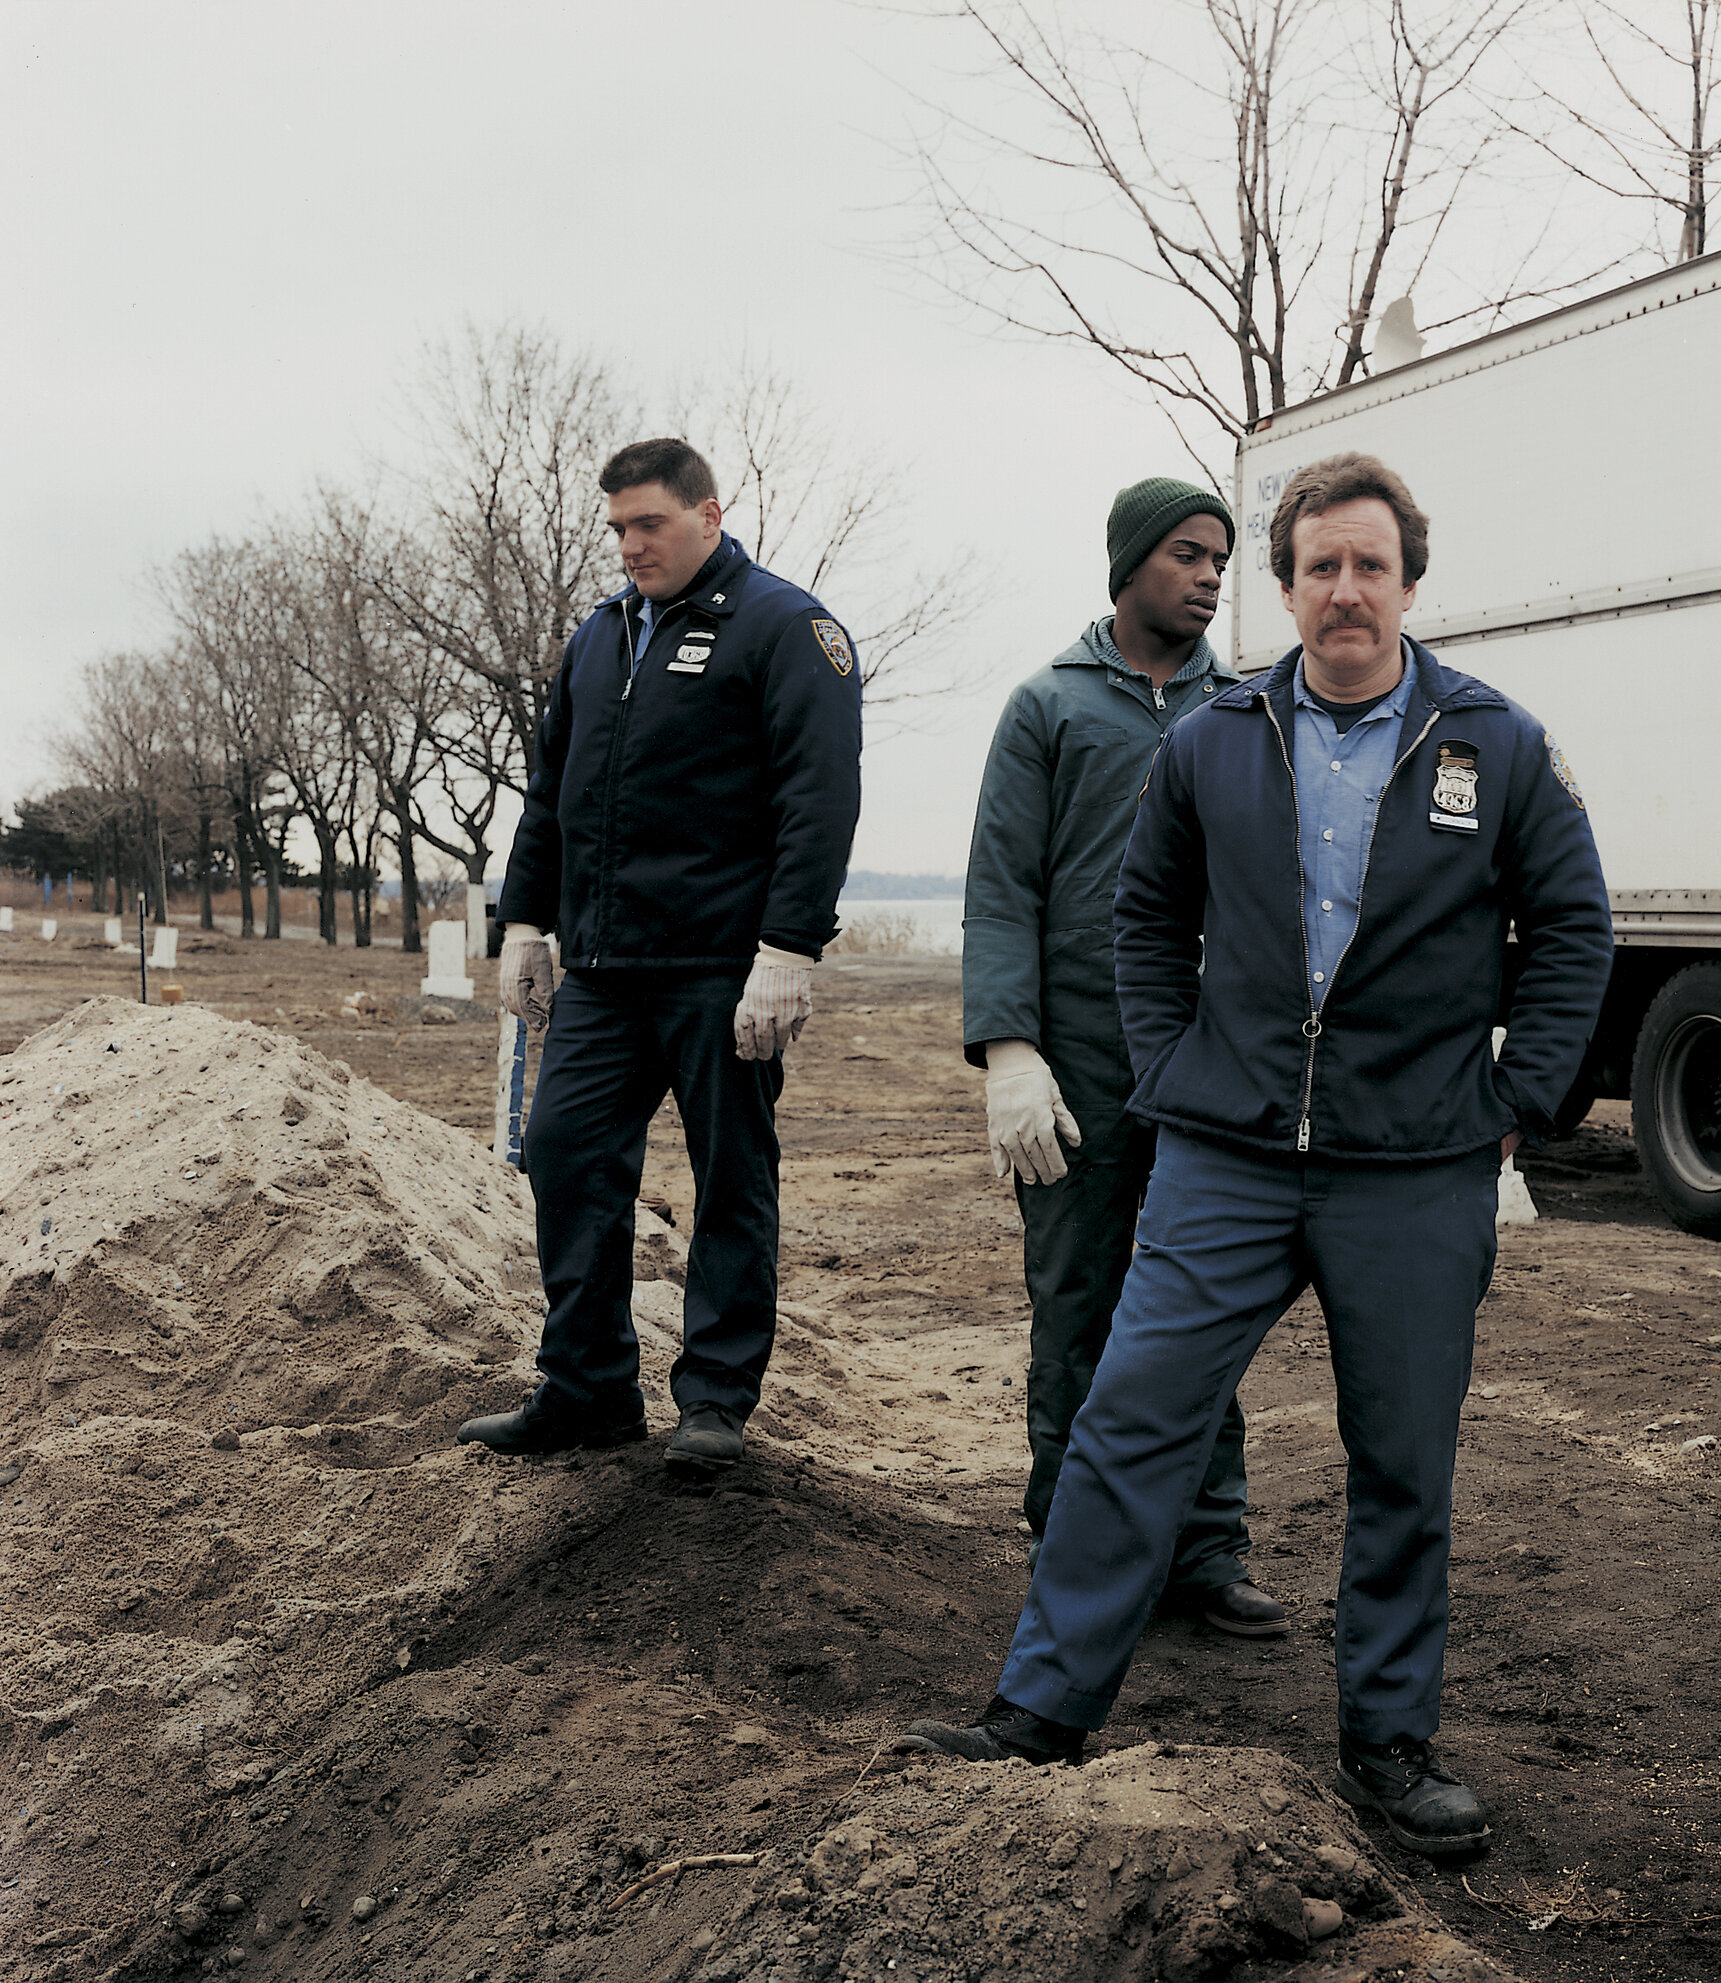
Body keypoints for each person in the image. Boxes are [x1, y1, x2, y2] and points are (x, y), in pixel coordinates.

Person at [903, 452, 1613, 1860]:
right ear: (1285, 589)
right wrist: (1170, 1066)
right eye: (1318, 567)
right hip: (1224, 1155)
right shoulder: (1214, 741)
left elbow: (1576, 931)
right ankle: (1041, 1707)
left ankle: (1389, 1742)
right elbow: (1143, 920)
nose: (1344, 589)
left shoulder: (1495, 744)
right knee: (1130, 1421)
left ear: (1410, 581)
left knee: (1403, 1457)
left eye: (1371, 564)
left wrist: (1513, 1097)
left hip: (1415, 1165)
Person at [459, 437, 862, 1478]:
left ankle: (716, 1400)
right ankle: (588, 1389)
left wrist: (788, 947)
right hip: (601, 969)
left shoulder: (783, 628)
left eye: (651, 525)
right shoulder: (600, 638)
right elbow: (552, 790)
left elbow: (818, 800)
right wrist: (525, 923)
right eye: (620, 530)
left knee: (730, 1178)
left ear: (708, 515)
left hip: (722, 969)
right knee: (564, 1153)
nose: (632, 546)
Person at [962, 477, 1291, 1638]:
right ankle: (1075, 1546)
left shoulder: (1250, 713)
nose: (1210, 577)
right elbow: (1003, 893)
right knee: (1079, 1307)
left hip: (1205, 1070)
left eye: (1221, 561)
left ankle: (1203, 1548)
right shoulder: (1049, 710)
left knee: (1201, 1308)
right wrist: (1010, 1051)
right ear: (1128, 566)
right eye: (1188, 556)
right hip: (1079, 1072)